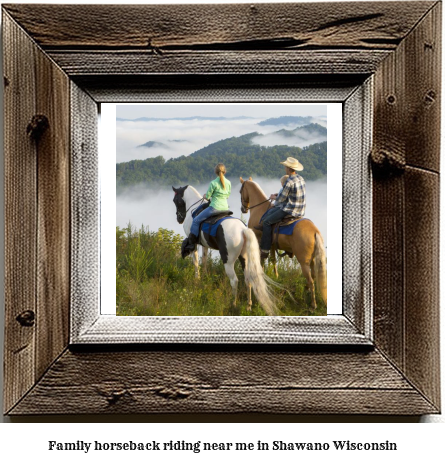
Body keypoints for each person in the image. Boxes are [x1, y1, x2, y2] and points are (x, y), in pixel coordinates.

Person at [259, 157, 306, 259]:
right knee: (271, 212)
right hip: (301, 210)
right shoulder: (301, 178)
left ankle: (265, 249)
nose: (284, 168)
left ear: (288, 168)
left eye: (285, 166)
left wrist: (273, 197)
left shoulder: (289, 181)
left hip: (290, 209)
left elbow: (281, 199)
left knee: (267, 221)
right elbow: (293, 194)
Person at [182, 163, 232, 258]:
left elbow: (208, 196)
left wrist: (205, 195)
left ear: (215, 172)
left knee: (196, 221)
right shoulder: (228, 183)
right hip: (225, 208)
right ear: (224, 172)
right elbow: (228, 195)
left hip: (214, 208)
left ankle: (191, 243)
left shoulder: (213, 183)